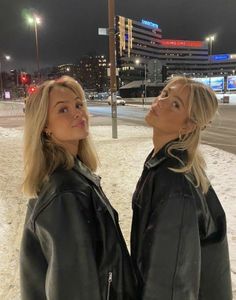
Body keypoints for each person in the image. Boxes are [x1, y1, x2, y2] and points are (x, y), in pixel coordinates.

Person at [20, 76, 137, 300]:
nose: (77, 113)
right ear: (45, 126)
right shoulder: (65, 192)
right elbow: (73, 289)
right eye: (62, 110)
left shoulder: (74, 176)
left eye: (78, 104)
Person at [131, 76, 232, 300]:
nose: (161, 101)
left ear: (188, 125)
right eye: (165, 93)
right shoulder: (166, 163)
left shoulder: (174, 184)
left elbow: (171, 285)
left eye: (175, 104)